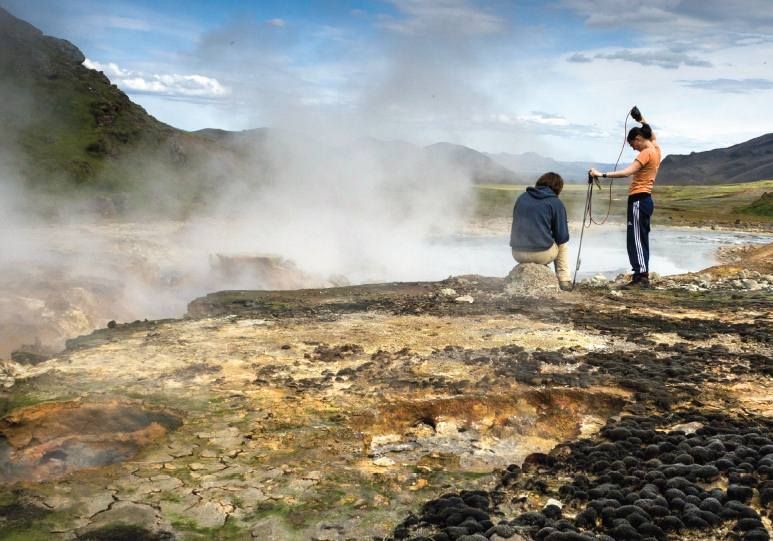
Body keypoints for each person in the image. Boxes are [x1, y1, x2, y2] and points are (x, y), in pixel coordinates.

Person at [590, 113, 661, 288]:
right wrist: (642, 119)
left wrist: (601, 174)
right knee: (640, 237)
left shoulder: (646, 153)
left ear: (638, 138)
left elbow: (627, 172)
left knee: (635, 239)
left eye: (632, 144)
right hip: (645, 200)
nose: (633, 148)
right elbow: (652, 136)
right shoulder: (656, 149)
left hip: (638, 200)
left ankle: (641, 277)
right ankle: (641, 274)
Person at [510, 172, 571, 291]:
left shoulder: (522, 197)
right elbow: (562, 236)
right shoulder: (555, 202)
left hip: (517, 253)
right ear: (558, 188)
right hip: (541, 255)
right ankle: (564, 280)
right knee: (562, 245)